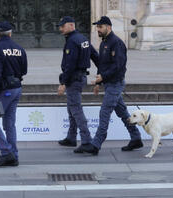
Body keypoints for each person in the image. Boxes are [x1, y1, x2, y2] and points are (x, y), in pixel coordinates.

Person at [82, 16, 143, 155]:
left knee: (104, 112)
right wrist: (99, 81)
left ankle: (96, 144)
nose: (98, 29)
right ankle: (136, 138)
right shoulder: (104, 43)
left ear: (108, 27)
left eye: (100, 27)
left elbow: (118, 65)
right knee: (122, 113)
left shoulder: (117, 43)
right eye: (97, 27)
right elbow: (102, 64)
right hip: (109, 83)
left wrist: (103, 77)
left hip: (115, 83)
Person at [0, 21, 27, 166]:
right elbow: (24, 71)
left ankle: (6, 151)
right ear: (10, 33)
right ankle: (13, 155)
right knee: (9, 123)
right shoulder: (20, 49)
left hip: (5, 91)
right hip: (17, 88)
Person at [56, 16, 99, 153]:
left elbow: (70, 65)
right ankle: (71, 137)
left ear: (71, 26)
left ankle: (86, 141)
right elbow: (96, 56)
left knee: (76, 109)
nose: (60, 29)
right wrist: (101, 73)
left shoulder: (72, 41)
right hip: (80, 77)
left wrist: (63, 83)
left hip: (74, 78)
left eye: (63, 26)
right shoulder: (83, 39)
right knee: (71, 108)